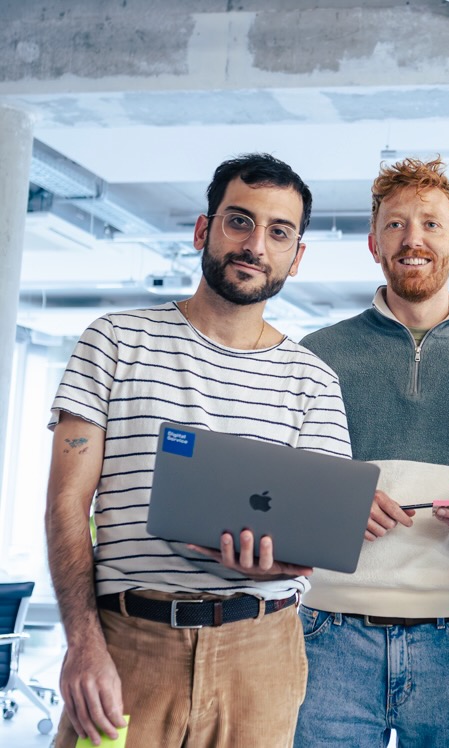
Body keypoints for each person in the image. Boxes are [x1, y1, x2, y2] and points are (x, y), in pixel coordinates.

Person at [45, 153, 352, 747]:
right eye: (239, 221)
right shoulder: (113, 342)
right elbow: (66, 502)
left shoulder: (314, 380)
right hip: (128, 645)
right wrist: (82, 644)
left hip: (261, 656)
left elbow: (314, 538)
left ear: (296, 255)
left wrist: (277, 561)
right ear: (202, 229)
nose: (255, 244)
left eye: (278, 232)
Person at [294, 156, 449, 747]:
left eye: (431, 224)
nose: (414, 239)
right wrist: (335, 502)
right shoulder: (316, 356)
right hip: (327, 634)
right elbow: (279, 483)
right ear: (373, 242)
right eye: (397, 224)